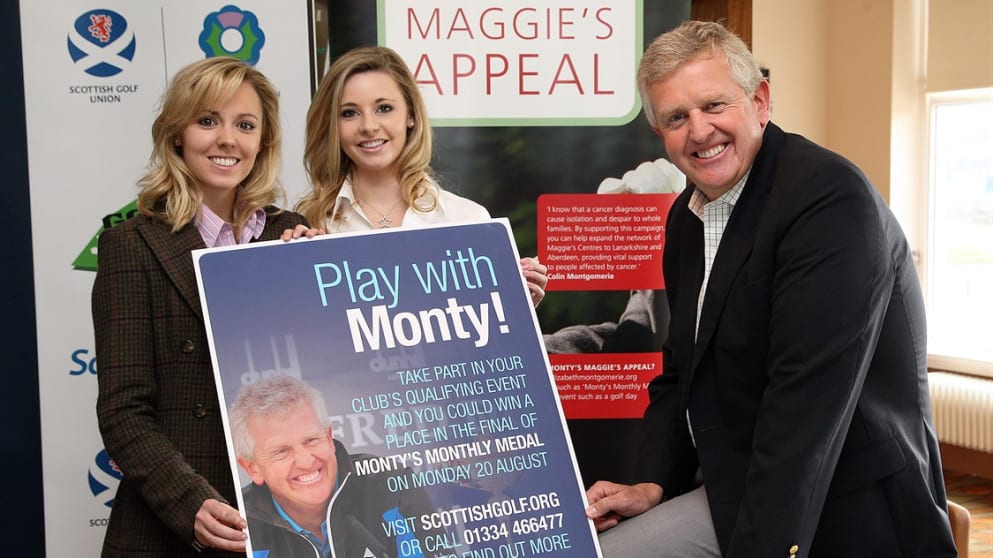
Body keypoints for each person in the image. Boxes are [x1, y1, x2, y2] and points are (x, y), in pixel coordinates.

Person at [584, 21, 958, 558]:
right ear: (659, 132)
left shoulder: (828, 201)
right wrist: (653, 483)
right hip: (734, 480)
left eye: (714, 105)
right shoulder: (687, 217)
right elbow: (680, 373)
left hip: (840, 500)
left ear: (760, 101)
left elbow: (803, 411)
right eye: (676, 117)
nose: (699, 130)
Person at [93, 57, 308, 557]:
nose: (227, 139)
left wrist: (316, 279)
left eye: (245, 125)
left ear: (263, 142)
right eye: (208, 120)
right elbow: (124, 411)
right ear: (177, 134)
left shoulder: (291, 234)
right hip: (170, 525)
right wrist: (189, 503)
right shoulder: (131, 245)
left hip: (277, 517)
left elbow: (321, 370)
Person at [284, 45, 548, 307]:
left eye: (383, 108)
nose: (369, 126)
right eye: (349, 113)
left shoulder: (469, 221)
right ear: (333, 125)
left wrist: (516, 306)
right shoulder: (309, 224)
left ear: (410, 115)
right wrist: (293, 269)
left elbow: (486, 327)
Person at [229, 375, 438, 558]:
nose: (306, 462)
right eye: (281, 451)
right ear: (252, 468)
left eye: (311, 440)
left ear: (329, 438)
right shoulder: (240, 527)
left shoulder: (391, 483)